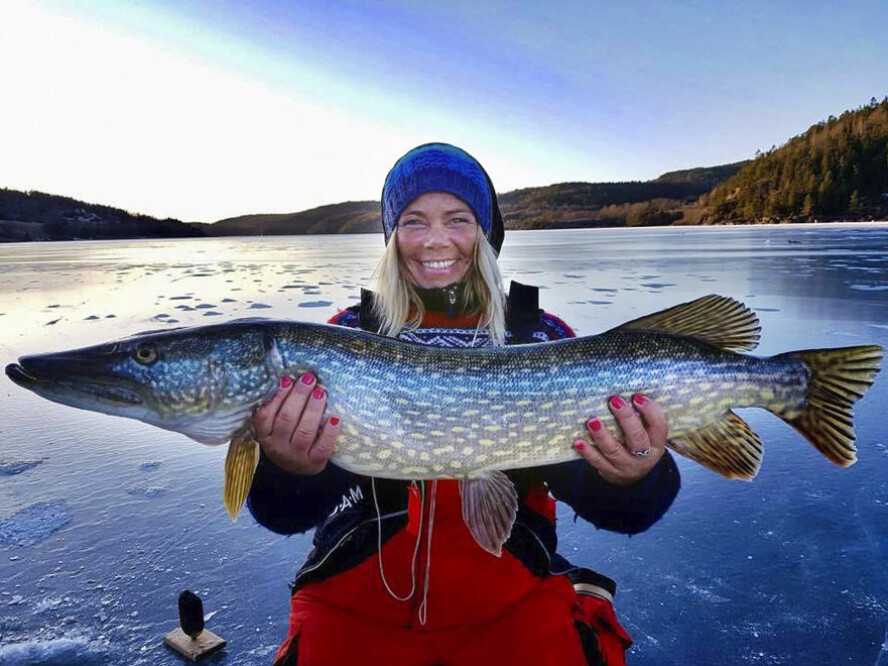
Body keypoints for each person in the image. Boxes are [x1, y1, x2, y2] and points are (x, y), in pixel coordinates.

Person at [247, 143, 681, 665]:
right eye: (413, 221)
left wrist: (635, 476)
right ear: (391, 237)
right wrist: (289, 471)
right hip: (352, 601)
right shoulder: (344, 338)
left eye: (458, 218)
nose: (435, 240)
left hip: (513, 600)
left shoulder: (536, 338)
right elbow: (283, 514)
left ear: (485, 233)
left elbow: (613, 508)